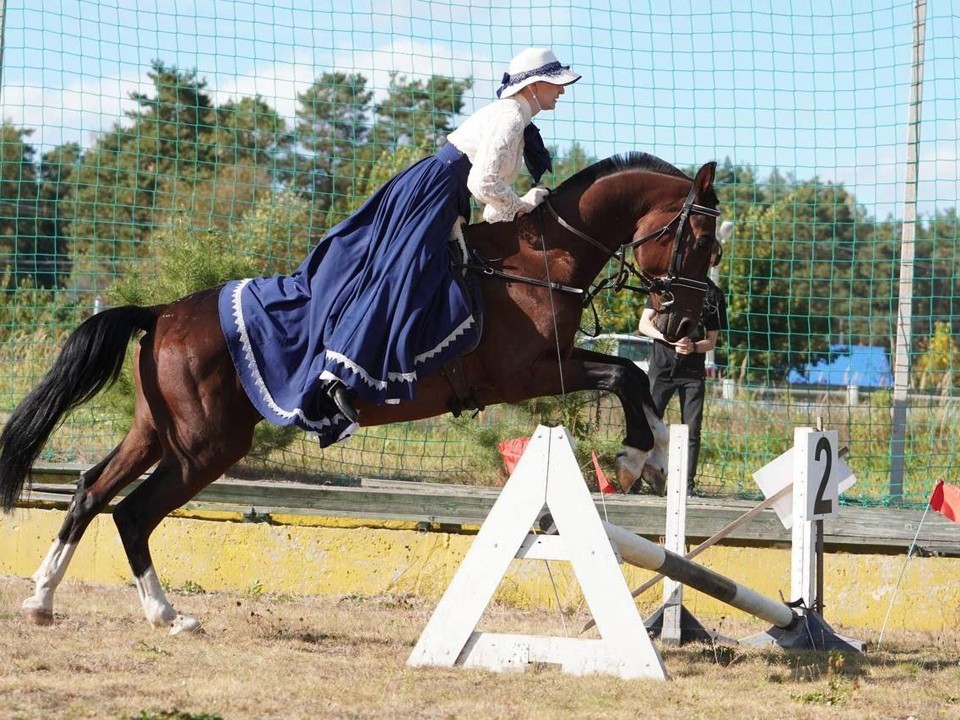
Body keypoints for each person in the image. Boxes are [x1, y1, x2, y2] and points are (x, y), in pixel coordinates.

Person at [218, 48, 580, 447]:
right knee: (401, 279)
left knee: (403, 277)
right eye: (557, 83)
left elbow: (487, 199)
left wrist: (518, 215)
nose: (562, 91)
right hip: (434, 193)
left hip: (440, 193)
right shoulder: (510, 116)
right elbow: (484, 186)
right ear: (534, 84)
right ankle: (338, 377)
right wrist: (526, 204)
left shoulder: (515, 118)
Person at [637, 247, 727, 494]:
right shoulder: (666, 286)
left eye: (708, 259)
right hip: (662, 367)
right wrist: (665, 338)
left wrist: (694, 347)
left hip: (692, 373)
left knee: (692, 430)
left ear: (712, 262)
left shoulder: (714, 296)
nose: (702, 263)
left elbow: (712, 341)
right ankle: (635, 479)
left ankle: (687, 486)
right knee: (648, 423)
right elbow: (643, 323)